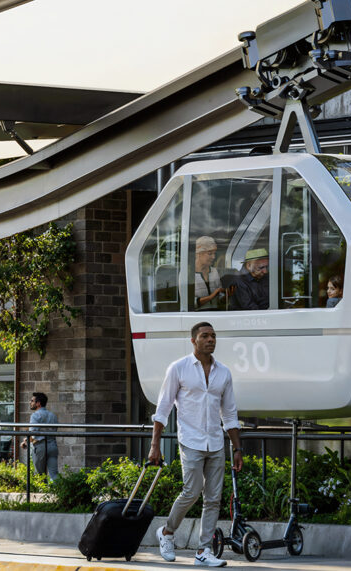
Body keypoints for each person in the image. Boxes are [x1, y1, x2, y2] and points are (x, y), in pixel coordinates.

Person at [150, 322, 242, 568]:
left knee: (213, 499)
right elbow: (163, 408)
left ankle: (204, 550)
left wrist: (237, 448)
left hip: (216, 442)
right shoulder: (178, 368)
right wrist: (155, 444)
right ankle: (167, 532)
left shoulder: (223, 373)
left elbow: (229, 414)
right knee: (191, 491)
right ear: (193, 340)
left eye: (213, 336)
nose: (211, 339)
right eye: (205, 336)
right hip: (190, 441)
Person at [19, 392, 59, 482]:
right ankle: (58, 490)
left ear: (38, 403)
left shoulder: (35, 415)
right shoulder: (53, 416)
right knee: (54, 474)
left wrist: (25, 442)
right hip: (52, 446)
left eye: (32, 401)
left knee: (40, 475)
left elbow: (34, 435)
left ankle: (43, 491)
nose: (30, 402)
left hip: (41, 447)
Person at [193, 236, 226, 311]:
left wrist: (226, 296)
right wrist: (211, 296)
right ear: (199, 253)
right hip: (197, 316)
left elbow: (220, 297)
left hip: (215, 313)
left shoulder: (214, 271)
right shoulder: (187, 273)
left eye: (214, 253)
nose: (213, 257)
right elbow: (189, 303)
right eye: (210, 253)